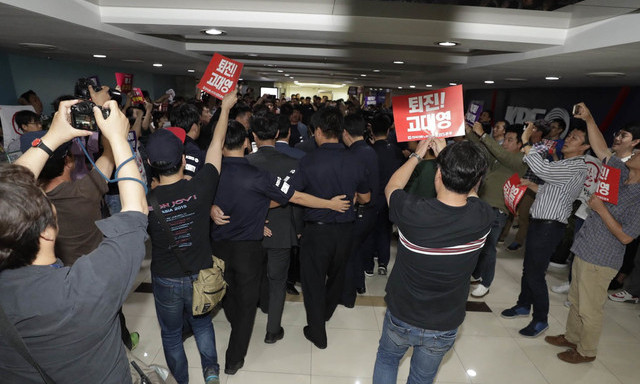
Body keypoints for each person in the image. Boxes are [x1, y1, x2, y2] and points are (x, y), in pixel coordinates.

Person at [0, 99, 148, 382]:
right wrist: (118, 137)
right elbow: (136, 212)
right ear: (48, 232)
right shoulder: (86, 286)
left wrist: (52, 138)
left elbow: (7, 190)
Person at [210, 116, 351, 373]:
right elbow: (295, 196)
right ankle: (237, 357)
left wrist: (210, 208)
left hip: (218, 246)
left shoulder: (211, 172)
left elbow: (194, 196)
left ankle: (236, 327)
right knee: (251, 298)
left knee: (228, 291)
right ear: (245, 141)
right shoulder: (258, 174)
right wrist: (330, 204)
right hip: (250, 246)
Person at [372, 139, 494, 384]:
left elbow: (392, 186)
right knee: (422, 377)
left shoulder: (411, 211)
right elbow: (472, 193)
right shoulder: (483, 216)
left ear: (438, 175)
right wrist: (450, 161)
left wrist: (417, 155)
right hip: (445, 321)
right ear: (477, 180)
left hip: (403, 312)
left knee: (388, 358)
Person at [145, 90, 241, 384]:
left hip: (165, 279)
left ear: (150, 164)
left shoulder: (145, 202)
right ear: (184, 159)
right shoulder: (201, 187)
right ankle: (212, 375)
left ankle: (182, 381)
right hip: (201, 273)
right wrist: (224, 109)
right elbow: (215, 145)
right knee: (202, 324)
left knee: (172, 334)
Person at [544, 102, 640, 363]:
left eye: (636, 154)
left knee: (590, 308)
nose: (629, 156)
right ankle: (572, 337)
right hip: (587, 248)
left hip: (603, 258)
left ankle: (586, 351)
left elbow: (626, 237)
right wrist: (588, 119)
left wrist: (600, 208)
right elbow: (601, 149)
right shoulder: (620, 172)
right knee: (576, 300)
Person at [290, 107, 370, 350]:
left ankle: (317, 332)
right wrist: (353, 197)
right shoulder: (356, 160)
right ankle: (324, 315)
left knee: (312, 282)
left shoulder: (308, 161)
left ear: (317, 131)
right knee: (336, 278)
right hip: (345, 231)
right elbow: (366, 197)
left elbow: (294, 195)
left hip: (316, 231)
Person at [501, 123, 590, 338]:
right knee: (528, 269)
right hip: (541, 222)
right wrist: (533, 187)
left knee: (535, 274)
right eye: (569, 135)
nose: (568, 139)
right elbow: (554, 190)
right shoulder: (567, 164)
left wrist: (528, 144)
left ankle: (541, 319)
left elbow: (544, 170)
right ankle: (523, 305)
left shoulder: (577, 166)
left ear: (585, 147)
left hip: (550, 226)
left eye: (575, 138)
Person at [466, 122, 528, 298]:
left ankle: (486, 282)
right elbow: (483, 148)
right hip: (483, 205)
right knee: (479, 244)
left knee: (489, 248)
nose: (505, 143)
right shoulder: (500, 156)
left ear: (519, 145)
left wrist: (484, 135)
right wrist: (469, 131)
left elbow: (501, 154)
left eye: (510, 140)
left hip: (497, 210)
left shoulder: (520, 160)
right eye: (505, 139)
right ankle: (477, 275)